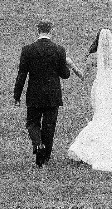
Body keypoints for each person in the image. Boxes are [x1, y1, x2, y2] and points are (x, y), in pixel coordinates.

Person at [67, 28, 112, 174]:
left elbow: (83, 76)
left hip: (100, 90)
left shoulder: (93, 57)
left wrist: (71, 64)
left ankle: (94, 149)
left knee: (100, 117)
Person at [13, 20, 81, 167]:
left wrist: (17, 96)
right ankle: (45, 157)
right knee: (49, 126)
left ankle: (38, 145)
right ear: (51, 30)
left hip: (34, 94)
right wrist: (67, 65)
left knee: (32, 123)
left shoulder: (27, 50)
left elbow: (22, 75)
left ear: (37, 30)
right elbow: (65, 75)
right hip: (53, 95)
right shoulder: (59, 50)